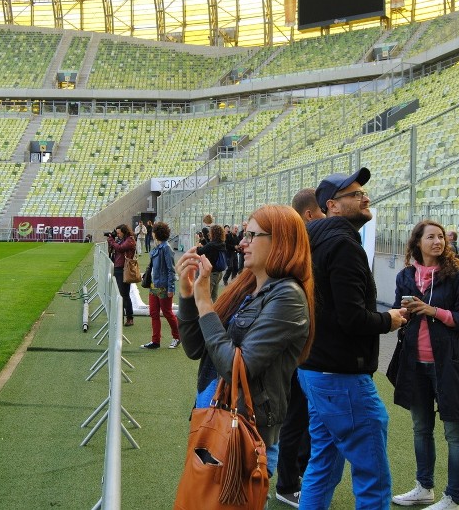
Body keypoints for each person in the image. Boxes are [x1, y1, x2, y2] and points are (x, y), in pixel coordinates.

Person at [176, 204, 315, 476]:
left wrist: (204, 301)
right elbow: (195, 349)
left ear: (280, 242)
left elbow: (236, 368)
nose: (242, 243)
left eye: (252, 236)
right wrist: (187, 293)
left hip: (245, 432)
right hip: (213, 417)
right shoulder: (246, 287)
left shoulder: (288, 297)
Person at [297, 167, 408, 510]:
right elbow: (352, 318)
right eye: (356, 194)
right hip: (341, 374)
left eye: (363, 192)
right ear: (332, 205)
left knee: (323, 464)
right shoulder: (342, 245)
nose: (365, 198)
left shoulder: (312, 241)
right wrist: (389, 320)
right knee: (372, 476)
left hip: (314, 369)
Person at [391, 220, 459, 510]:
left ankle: (453, 498)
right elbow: (399, 315)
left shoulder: (456, 277)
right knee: (420, 428)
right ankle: (424, 488)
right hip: (415, 364)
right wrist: (402, 314)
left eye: (441, 237)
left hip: (448, 366)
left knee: (455, 432)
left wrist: (434, 311)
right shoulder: (406, 276)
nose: (438, 242)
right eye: (431, 237)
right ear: (418, 242)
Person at [274, 188, 326, 508]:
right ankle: (287, 482)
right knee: (296, 416)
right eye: (322, 211)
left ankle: (299, 475)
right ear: (309, 215)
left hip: (302, 346)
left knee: (303, 415)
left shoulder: (298, 248)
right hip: (299, 348)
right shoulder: (304, 248)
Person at [140, 222, 181, 350]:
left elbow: (171, 269)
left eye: (153, 231)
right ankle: (155, 341)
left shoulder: (166, 248)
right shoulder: (157, 248)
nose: (152, 234)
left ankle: (177, 336)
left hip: (163, 286)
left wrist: (171, 288)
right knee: (153, 313)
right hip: (154, 285)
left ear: (157, 233)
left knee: (168, 313)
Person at [107, 224, 136, 326]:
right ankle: (123, 316)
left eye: (119, 233)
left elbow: (120, 248)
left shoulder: (129, 240)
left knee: (124, 294)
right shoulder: (123, 239)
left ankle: (129, 317)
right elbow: (114, 249)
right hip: (119, 267)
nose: (118, 235)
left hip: (124, 269)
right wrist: (112, 241)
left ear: (124, 232)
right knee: (121, 294)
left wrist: (111, 240)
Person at [196, 224, 226, 301]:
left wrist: (198, 245)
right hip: (218, 273)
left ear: (213, 233)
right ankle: (216, 310)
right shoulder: (222, 243)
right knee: (214, 296)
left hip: (211, 274)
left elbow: (200, 251)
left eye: (210, 232)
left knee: (206, 296)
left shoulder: (212, 245)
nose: (209, 234)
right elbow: (208, 246)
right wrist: (203, 239)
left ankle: (205, 312)